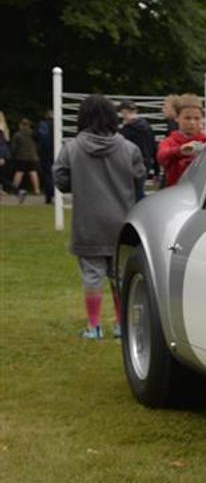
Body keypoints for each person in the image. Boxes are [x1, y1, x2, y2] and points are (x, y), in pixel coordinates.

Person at [52, 94, 146, 339]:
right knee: (120, 275)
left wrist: (78, 183)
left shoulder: (72, 148)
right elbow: (139, 178)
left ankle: (94, 326)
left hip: (87, 223)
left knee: (91, 276)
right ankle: (120, 324)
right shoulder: (128, 148)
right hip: (121, 222)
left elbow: (60, 178)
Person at [156, 94, 206, 187]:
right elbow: (161, 156)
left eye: (197, 118)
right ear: (177, 118)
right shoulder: (170, 141)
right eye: (187, 118)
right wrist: (180, 151)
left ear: (202, 119)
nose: (192, 122)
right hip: (176, 191)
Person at [118, 100, 158, 185]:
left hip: (129, 164)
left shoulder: (125, 131)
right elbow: (154, 148)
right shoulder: (147, 127)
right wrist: (156, 171)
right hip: (145, 164)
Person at [10, 118, 41, 201]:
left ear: (21, 125)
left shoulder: (17, 135)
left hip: (21, 157)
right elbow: (38, 144)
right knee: (33, 172)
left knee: (19, 172)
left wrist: (13, 155)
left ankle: (15, 188)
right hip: (33, 156)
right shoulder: (33, 134)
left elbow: (14, 148)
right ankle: (37, 190)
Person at [36, 111, 54, 203]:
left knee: (47, 174)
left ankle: (49, 196)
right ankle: (55, 193)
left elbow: (37, 137)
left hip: (45, 153)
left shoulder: (42, 125)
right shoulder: (56, 125)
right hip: (56, 151)